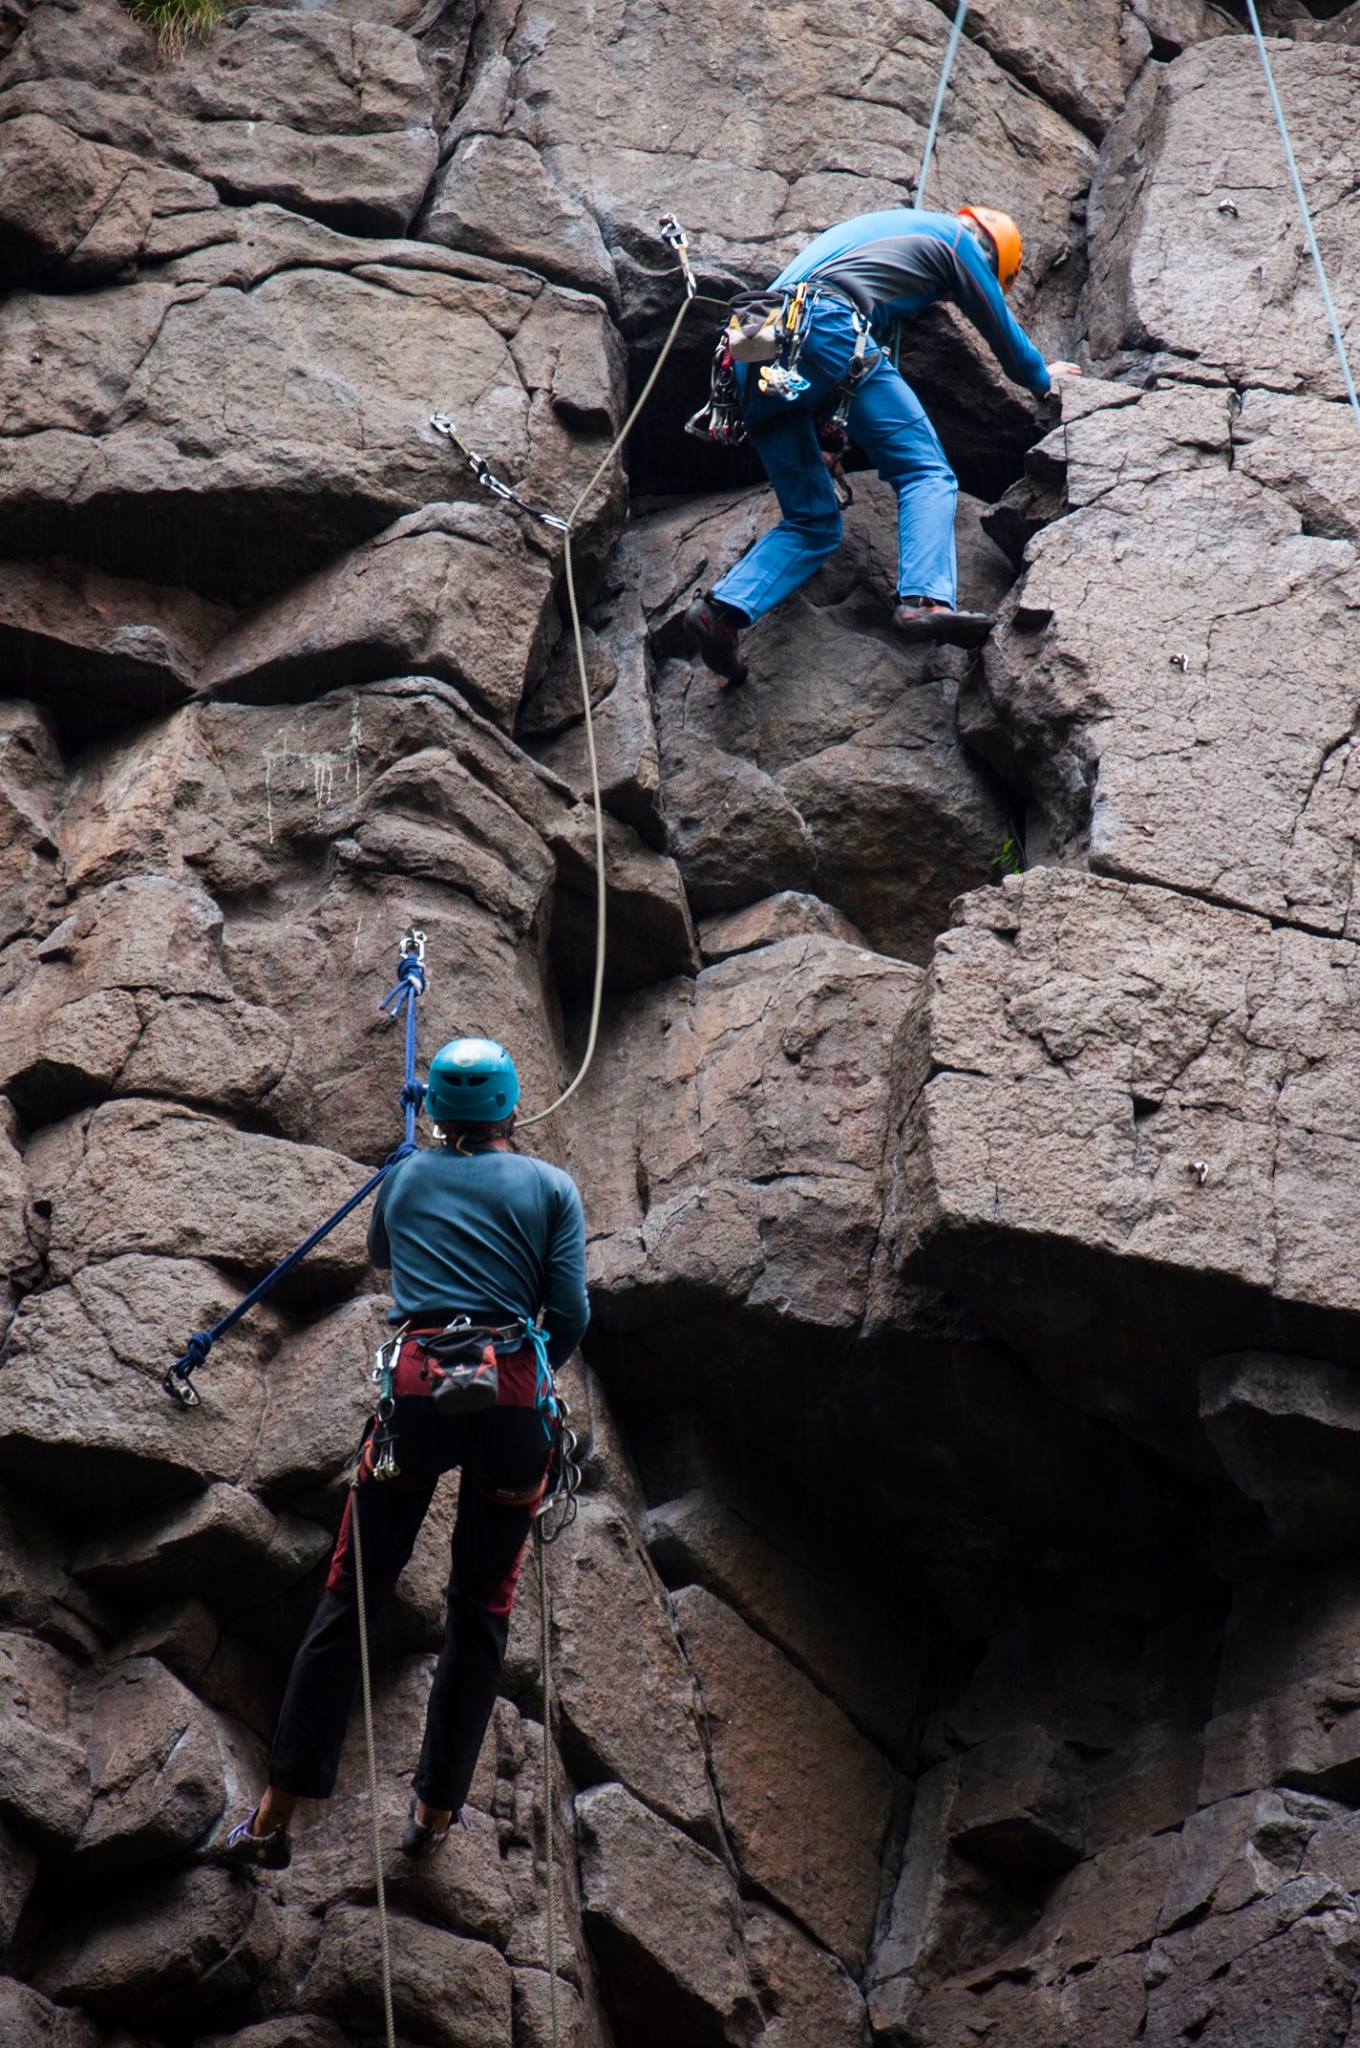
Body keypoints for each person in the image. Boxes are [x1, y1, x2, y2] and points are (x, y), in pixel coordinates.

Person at [222, 1036, 589, 1869]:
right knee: (481, 1606)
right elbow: (568, 1317)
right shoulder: (551, 1188)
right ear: (509, 1107)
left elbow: (384, 1258)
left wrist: (417, 1173)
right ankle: (433, 1812)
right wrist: (525, 1377)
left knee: (354, 1594)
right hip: (510, 1411)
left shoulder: (404, 1174)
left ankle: (275, 1815)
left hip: (410, 1409)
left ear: (439, 1109)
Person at [683, 204, 1081, 683]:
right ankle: (925, 600)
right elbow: (999, 328)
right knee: (925, 470)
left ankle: (721, 613)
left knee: (812, 522)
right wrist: (1041, 377)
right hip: (818, 319)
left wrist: (825, 436)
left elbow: (841, 371)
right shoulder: (956, 240)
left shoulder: (876, 243)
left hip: (751, 341)